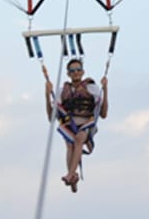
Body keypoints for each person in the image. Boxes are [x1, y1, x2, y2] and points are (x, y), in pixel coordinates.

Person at [44, 58, 108, 193]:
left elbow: (103, 114)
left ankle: (70, 175)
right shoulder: (62, 91)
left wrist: (105, 89)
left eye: (78, 70)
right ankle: (73, 179)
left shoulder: (92, 88)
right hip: (69, 124)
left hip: (87, 123)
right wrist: (47, 94)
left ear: (83, 71)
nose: (76, 72)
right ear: (68, 74)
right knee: (70, 144)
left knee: (79, 139)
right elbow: (51, 117)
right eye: (72, 71)